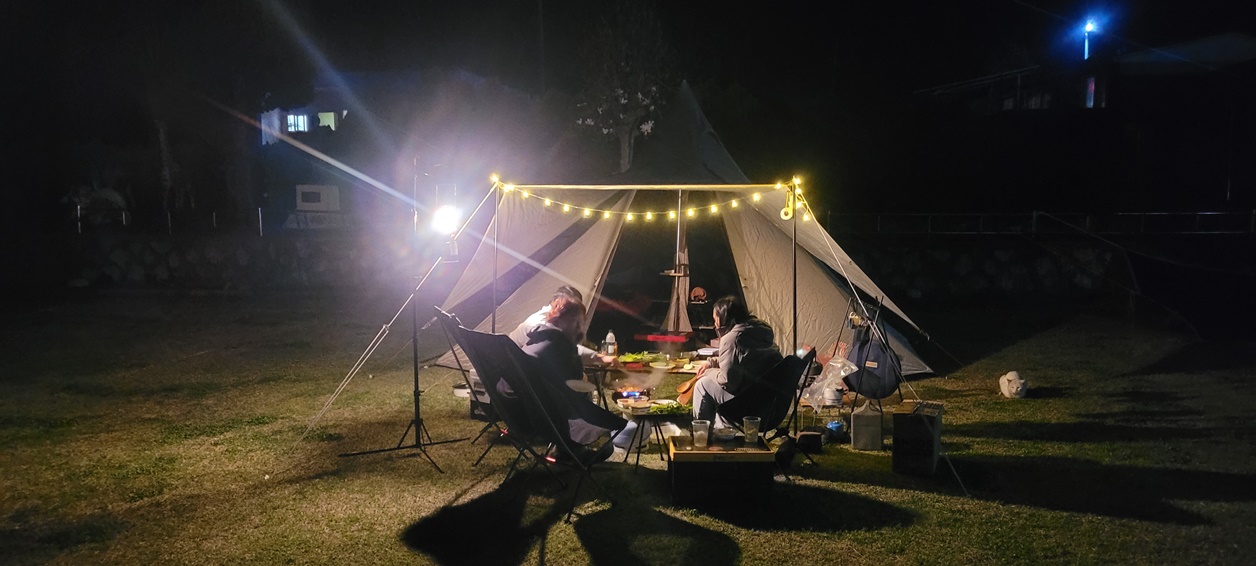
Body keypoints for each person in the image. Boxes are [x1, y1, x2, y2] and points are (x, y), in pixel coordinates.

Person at [520, 295, 626, 455]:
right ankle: (569, 451)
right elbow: (577, 383)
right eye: (579, 322)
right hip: (549, 418)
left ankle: (566, 449)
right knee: (605, 446)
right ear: (572, 320)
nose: (579, 328)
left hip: (521, 412)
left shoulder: (535, 340)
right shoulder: (561, 346)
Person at [690, 296, 783, 424]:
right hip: (770, 405)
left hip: (748, 406)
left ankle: (701, 430)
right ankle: (721, 429)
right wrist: (711, 362)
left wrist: (708, 372)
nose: (715, 324)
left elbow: (727, 381)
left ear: (724, 318)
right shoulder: (760, 330)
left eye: (715, 319)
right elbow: (742, 358)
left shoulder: (732, 338)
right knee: (713, 386)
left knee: (703, 384)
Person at [510, 285, 613, 366]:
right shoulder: (540, 324)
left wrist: (597, 357)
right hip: (515, 372)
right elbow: (563, 350)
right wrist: (599, 358)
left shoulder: (552, 326)